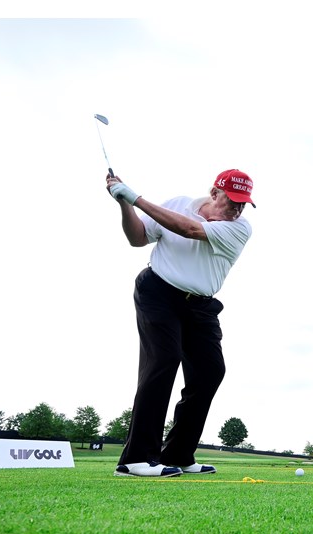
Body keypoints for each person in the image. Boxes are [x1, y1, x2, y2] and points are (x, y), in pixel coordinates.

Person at [105, 169, 256, 477]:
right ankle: (135, 458)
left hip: (201, 307)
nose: (237, 209)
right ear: (214, 193)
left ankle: (178, 453)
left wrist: (134, 196)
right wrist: (124, 203)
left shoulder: (240, 228)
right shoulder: (177, 204)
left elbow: (189, 230)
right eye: (232, 201)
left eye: (243, 203)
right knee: (163, 359)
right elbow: (137, 238)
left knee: (210, 371)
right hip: (157, 293)